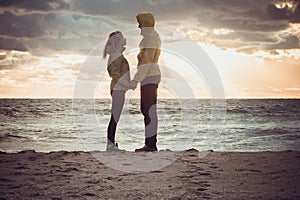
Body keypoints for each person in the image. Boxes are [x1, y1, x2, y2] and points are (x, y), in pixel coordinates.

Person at [129, 12, 161, 152]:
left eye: (140, 23)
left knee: (148, 110)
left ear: (146, 24)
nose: (138, 26)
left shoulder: (151, 39)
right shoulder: (150, 38)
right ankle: (150, 143)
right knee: (147, 110)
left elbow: (146, 62)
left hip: (150, 76)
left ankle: (151, 145)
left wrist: (136, 79)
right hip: (149, 76)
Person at [103, 31, 130, 151]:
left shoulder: (117, 54)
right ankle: (110, 144)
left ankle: (111, 143)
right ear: (118, 41)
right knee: (114, 117)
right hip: (118, 89)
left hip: (119, 89)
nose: (125, 39)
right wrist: (127, 84)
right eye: (123, 38)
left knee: (115, 117)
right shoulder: (115, 55)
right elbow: (114, 73)